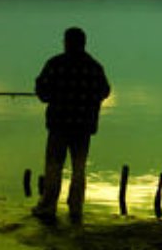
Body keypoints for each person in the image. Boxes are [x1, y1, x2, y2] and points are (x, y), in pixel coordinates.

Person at [31, 27, 111, 223]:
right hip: (83, 127)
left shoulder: (55, 64)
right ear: (84, 43)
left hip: (59, 124)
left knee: (54, 166)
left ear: (67, 42)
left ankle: (48, 206)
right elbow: (104, 91)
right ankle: (76, 208)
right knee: (79, 168)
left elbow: (42, 92)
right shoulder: (94, 67)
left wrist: (53, 95)